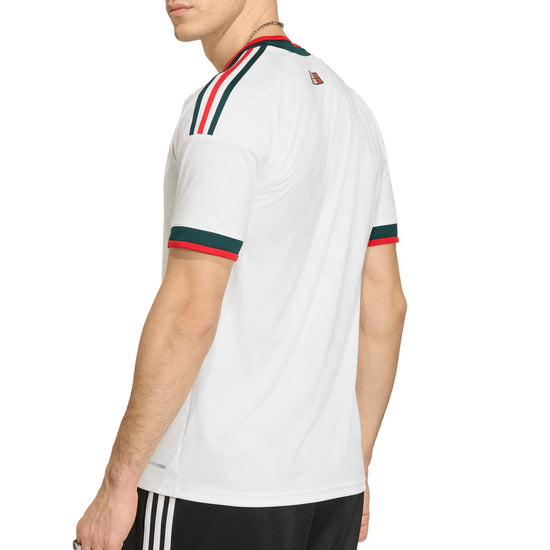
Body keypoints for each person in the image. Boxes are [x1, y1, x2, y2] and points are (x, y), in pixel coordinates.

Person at [73, 0, 407, 548]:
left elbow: (190, 312)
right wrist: (356, 462)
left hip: (213, 491)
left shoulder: (227, 105)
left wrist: (118, 483)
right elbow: (386, 307)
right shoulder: (353, 112)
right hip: (332, 492)